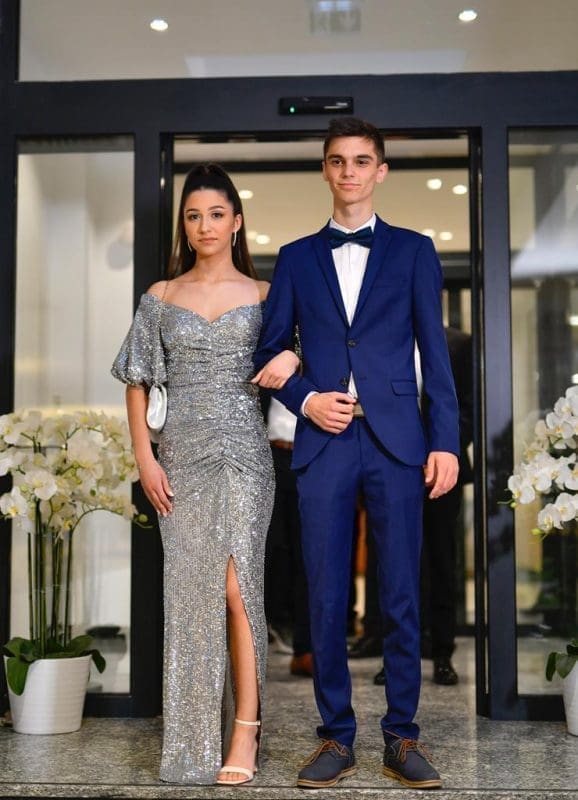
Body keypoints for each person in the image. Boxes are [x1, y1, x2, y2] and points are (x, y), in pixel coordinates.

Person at [253, 118, 459, 790]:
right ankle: (335, 737)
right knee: (325, 592)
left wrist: (445, 440)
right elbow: (269, 352)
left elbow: (434, 353)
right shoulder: (294, 257)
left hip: (398, 441)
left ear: (380, 171)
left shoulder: (415, 251)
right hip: (324, 441)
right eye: (338, 160)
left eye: (361, 161)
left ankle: (401, 736)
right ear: (325, 170)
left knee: (400, 591)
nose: (349, 171)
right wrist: (308, 399)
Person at [111, 164, 298, 786]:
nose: (205, 226)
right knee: (190, 596)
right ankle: (192, 740)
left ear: (236, 221)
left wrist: (290, 353)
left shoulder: (267, 294)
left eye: (216, 214)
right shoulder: (161, 296)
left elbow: (304, 355)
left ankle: (246, 728)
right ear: (184, 226)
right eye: (193, 216)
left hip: (245, 458)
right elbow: (136, 380)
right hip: (179, 464)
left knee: (238, 590)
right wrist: (145, 459)